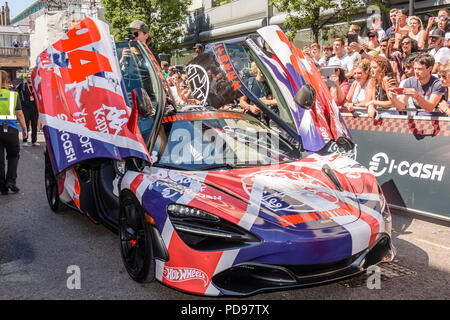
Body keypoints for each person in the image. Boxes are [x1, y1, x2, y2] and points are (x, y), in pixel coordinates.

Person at [0, 70, 27, 195]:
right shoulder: (13, 95)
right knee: (13, 156)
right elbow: (19, 113)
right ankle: (10, 181)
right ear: (6, 81)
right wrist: (25, 128)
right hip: (10, 129)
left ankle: (2, 186)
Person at [16, 73, 39, 146]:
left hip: (35, 108)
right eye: (28, 77)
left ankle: (34, 141)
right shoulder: (22, 86)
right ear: (26, 78)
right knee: (25, 124)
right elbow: (16, 89)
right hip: (25, 108)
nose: (29, 78)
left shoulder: (36, 86)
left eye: (30, 77)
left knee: (34, 124)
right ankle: (25, 140)